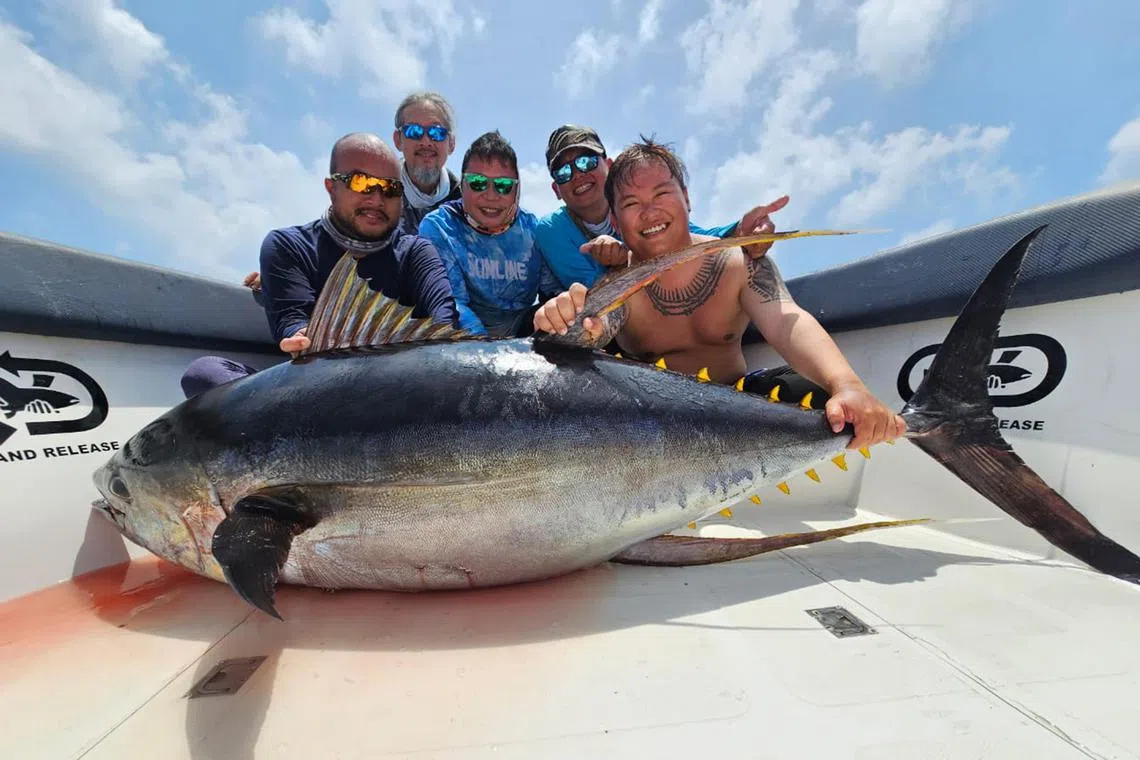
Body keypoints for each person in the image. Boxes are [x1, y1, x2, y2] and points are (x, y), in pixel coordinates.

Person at [532, 136, 904, 449]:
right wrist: (566, 319)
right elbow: (595, 327)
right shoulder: (618, 283)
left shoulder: (739, 262)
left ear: (687, 198)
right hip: (657, 426)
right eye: (631, 204)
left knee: (827, 402)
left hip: (739, 403)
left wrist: (848, 385)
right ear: (614, 220)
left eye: (662, 194)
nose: (649, 212)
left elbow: (786, 321)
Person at [180, 132, 459, 398]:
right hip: (315, 392)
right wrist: (300, 338)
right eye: (360, 182)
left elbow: (444, 320)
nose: (376, 198)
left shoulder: (416, 250)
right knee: (204, 374)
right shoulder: (287, 245)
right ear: (331, 187)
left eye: (390, 188)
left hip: (404, 389)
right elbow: (292, 321)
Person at [535, 124, 791, 292]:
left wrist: (741, 232)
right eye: (564, 171)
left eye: (586, 161)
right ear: (556, 189)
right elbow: (598, 296)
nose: (578, 174)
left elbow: (690, 239)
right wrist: (617, 264)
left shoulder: (642, 211)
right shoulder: (549, 231)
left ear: (609, 165)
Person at [417, 130, 559, 338]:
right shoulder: (438, 228)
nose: (491, 196)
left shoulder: (534, 230)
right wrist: (484, 353)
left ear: (517, 190)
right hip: (460, 338)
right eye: (478, 183)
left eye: (503, 186)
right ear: (462, 186)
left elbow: (553, 295)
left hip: (522, 332)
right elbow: (451, 304)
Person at [392, 91, 462, 232]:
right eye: (413, 131)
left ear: (452, 144)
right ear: (398, 140)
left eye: (436, 132)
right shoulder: (379, 193)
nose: (425, 141)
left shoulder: (467, 202)